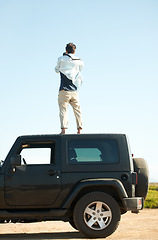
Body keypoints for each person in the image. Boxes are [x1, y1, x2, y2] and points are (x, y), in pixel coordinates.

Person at [55, 43, 84, 134]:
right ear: (74, 51)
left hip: (64, 90)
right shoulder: (79, 60)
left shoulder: (61, 59)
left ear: (66, 50)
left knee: (63, 110)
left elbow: (56, 70)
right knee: (77, 110)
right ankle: (79, 129)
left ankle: (63, 129)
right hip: (74, 91)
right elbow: (80, 69)